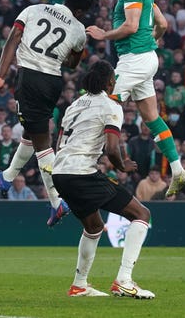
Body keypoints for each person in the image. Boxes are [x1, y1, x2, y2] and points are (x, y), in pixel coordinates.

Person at [0, 0, 95, 226]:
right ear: (79, 10)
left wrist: (1, 75)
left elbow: (13, 38)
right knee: (32, 132)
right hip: (52, 82)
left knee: (42, 143)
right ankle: (7, 176)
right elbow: (73, 63)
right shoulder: (78, 29)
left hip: (30, 79)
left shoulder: (33, 10)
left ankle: (58, 202)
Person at [86, 0, 185, 197]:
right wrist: (150, 44)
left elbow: (131, 26)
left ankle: (86, 165)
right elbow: (163, 24)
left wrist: (104, 34)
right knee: (151, 118)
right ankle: (177, 169)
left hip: (134, 59)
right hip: (144, 58)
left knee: (105, 103)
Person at [52, 60, 154, 299]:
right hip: (80, 173)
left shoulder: (74, 105)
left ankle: (79, 285)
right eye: (114, 79)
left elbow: (59, 143)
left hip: (60, 172)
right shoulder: (111, 106)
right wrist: (122, 166)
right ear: (110, 81)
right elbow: (111, 148)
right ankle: (124, 280)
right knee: (141, 215)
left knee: (94, 226)